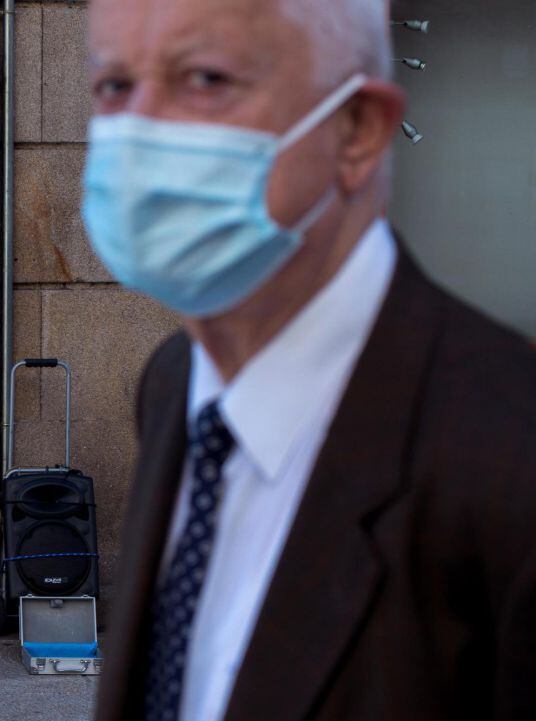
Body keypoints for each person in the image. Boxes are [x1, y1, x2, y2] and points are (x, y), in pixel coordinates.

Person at [82, 1, 536, 719]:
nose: (140, 128)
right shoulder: (174, 384)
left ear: (357, 131)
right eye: (113, 85)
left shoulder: (509, 458)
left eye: (204, 77)